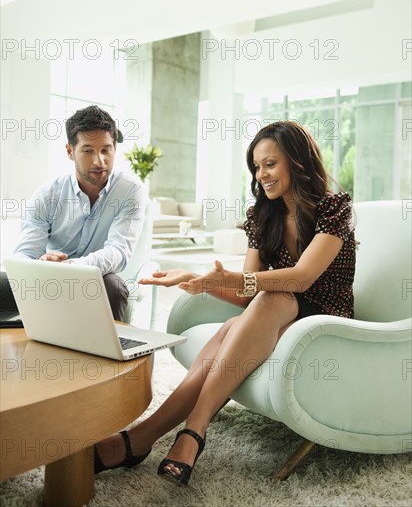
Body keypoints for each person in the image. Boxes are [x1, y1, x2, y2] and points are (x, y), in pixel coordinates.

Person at [94, 120, 356, 486]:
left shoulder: (334, 209)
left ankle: (189, 430)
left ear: (297, 161)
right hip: (277, 315)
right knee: (240, 322)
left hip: (328, 322)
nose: (261, 174)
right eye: (256, 166)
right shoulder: (264, 215)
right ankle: (148, 438)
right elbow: (247, 294)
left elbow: (302, 278)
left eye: (270, 164)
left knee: (274, 297)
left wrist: (230, 278)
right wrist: (196, 280)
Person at [0, 105, 146, 321]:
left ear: (115, 147)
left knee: (112, 285)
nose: (99, 161)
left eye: (106, 149)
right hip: (46, 281)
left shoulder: (130, 190)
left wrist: (72, 268)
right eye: (88, 150)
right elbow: (24, 255)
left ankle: (108, 353)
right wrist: (41, 264)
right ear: (70, 151)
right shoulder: (47, 195)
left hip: (95, 281)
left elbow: (118, 252)